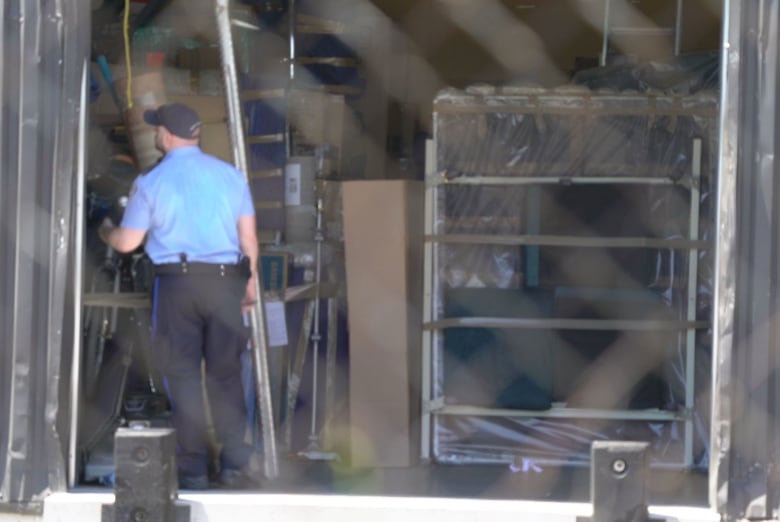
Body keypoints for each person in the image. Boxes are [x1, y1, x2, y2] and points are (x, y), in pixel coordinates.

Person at [99, 102, 259, 490]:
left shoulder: (150, 182)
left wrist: (106, 230)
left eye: (157, 129)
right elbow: (248, 238)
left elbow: (128, 242)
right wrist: (250, 285)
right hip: (224, 283)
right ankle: (234, 465)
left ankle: (193, 469)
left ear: (167, 136)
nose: (155, 134)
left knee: (183, 377)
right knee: (226, 375)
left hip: (177, 285)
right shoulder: (231, 176)